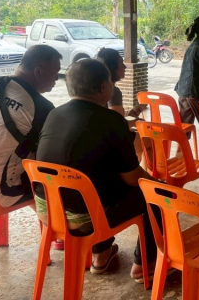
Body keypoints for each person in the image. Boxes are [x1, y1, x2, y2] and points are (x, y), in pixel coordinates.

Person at [35, 59, 159, 280]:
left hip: (48, 212)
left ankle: (101, 255)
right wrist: (159, 185)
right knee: (156, 197)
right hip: (85, 219)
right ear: (104, 87)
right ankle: (145, 265)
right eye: (110, 81)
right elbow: (133, 178)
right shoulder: (111, 120)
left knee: (97, 185)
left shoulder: (55, 114)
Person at [0, 45, 61, 210]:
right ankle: (50, 222)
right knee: (50, 177)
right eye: (55, 72)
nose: (57, 78)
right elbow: (49, 155)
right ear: (39, 71)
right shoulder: (40, 106)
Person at [96, 48, 149, 162]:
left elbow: (111, 117)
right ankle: (142, 172)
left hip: (97, 134)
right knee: (148, 142)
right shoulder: (113, 91)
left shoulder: (96, 88)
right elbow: (118, 126)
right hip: (108, 139)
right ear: (112, 68)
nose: (125, 67)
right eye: (121, 63)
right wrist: (137, 122)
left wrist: (129, 114)